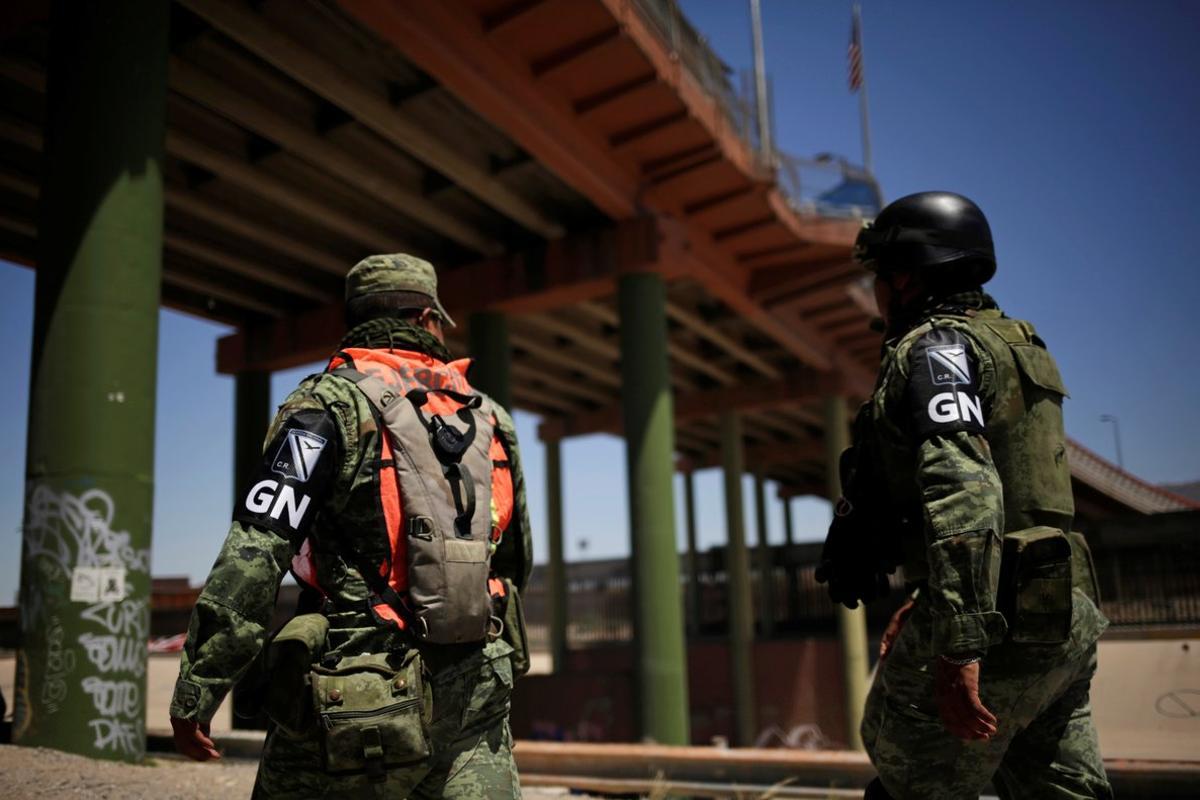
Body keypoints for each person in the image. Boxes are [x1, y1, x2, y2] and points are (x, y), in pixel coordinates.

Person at [169, 254, 533, 799]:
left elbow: (257, 548)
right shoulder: (489, 416)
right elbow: (512, 563)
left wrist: (200, 688)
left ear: (357, 319)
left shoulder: (326, 404)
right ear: (429, 319)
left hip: (358, 695)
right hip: (478, 693)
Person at [817, 192, 1112, 799]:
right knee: (1062, 790)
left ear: (904, 278)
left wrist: (960, 640)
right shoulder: (1017, 344)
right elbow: (1019, 493)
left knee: (906, 769)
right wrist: (933, 591)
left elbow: (966, 489)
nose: (875, 293)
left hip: (998, 620)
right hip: (1067, 611)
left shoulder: (934, 350)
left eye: (879, 277)